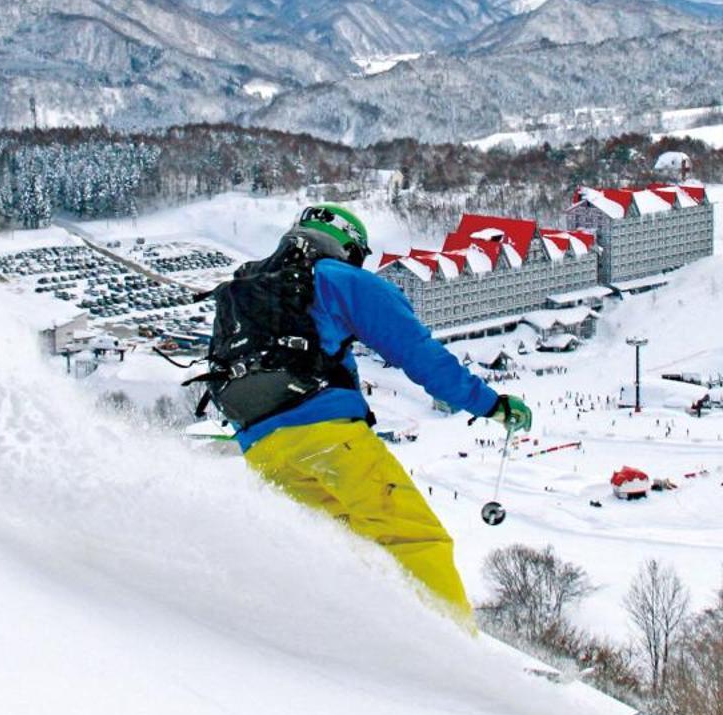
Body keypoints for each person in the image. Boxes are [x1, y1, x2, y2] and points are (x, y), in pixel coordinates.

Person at [196, 204, 531, 620]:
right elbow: (418, 353)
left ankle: (359, 637)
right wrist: (491, 405)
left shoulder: (247, 286)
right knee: (415, 539)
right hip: (323, 436)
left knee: (343, 546)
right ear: (347, 247)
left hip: (262, 448)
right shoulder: (340, 279)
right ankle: (452, 653)